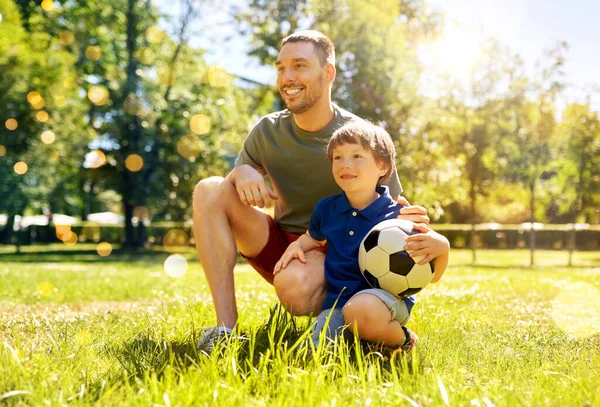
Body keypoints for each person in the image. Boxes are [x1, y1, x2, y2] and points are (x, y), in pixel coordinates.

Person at [192, 30, 429, 352]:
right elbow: (232, 187)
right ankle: (224, 330)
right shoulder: (267, 130)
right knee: (209, 188)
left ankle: (351, 319)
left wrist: (421, 233)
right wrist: (242, 171)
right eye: (280, 68)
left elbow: (391, 209)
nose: (287, 77)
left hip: (332, 252)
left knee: (295, 288)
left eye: (299, 65)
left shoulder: (358, 138)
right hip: (278, 245)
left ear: (328, 72)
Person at [273, 121, 449, 352]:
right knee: (313, 352)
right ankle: (365, 339)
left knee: (362, 313)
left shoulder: (400, 218)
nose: (345, 164)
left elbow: (432, 274)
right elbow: (313, 237)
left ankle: (404, 340)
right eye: (338, 157)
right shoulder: (326, 209)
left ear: (382, 167)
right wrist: (297, 246)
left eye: (357, 156)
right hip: (338, 304)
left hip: (383, 304)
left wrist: (443, 247)